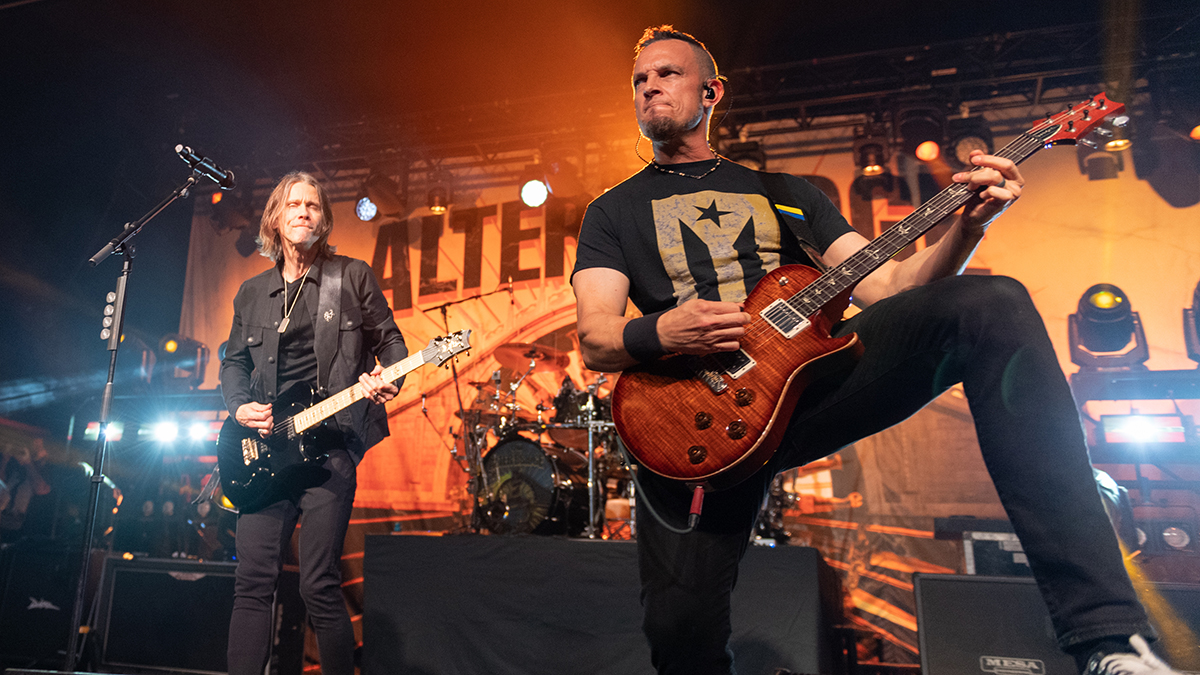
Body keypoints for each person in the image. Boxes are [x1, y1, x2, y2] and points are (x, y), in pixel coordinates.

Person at [572, 25, 1176, 675]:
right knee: (679, 628)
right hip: (686, 419)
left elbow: (888, 286)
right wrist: (664, 331)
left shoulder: (788, 194)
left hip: (805, 392)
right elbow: (597, 335)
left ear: (711, 91)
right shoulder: (613, 212)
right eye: (640, 80)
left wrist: (966, 229)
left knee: (990, 303)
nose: (649, 87)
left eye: (666, 74)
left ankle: (1106, 638)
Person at [220, 171, 407, 675]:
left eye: (313, 206)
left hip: (330, 447)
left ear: (324, 220)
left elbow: (390, 340)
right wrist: (239, 406)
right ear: (276, 219)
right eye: (293, 205)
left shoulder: (351, 276)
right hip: (265, 448)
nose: (303, 212)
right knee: (252, 583)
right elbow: (232, 361)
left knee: (318, 582)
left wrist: (389, 376)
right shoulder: (251, 292)